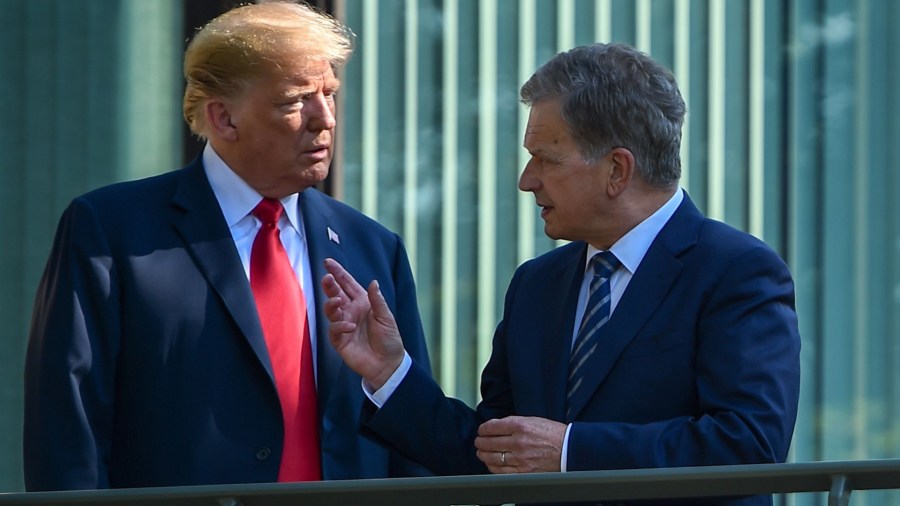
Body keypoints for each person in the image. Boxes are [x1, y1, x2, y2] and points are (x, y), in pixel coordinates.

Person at [322, 42, 801, 505]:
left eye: (547, 159)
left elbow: (750, 444)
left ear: (617, 169)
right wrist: (390, 373)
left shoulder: (736, 271)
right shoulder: (536, 285)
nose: (526, 180)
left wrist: (571, 452)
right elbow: (493, 452)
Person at [23, 1, 430, 491]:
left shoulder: (373, 247)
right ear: (223, 118)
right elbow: (70, 433)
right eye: (295, 100)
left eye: (330, 93)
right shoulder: (111, 233)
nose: (325, 118)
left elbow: (415, 441)